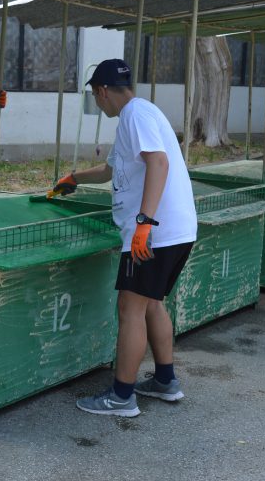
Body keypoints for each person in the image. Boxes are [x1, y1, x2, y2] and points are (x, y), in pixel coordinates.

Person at [52, 59, 197, 418]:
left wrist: (144, 223)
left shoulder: (135, 116)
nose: (97, 103)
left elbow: (158, 163)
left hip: (154, 234)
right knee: (151, 303)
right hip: (176, 231)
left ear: (101, 91)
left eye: (94, 96)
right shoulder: (140, 114)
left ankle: (121, 397)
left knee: (130, 309)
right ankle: (165, 382)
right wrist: (74, 177)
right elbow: (111, 169)